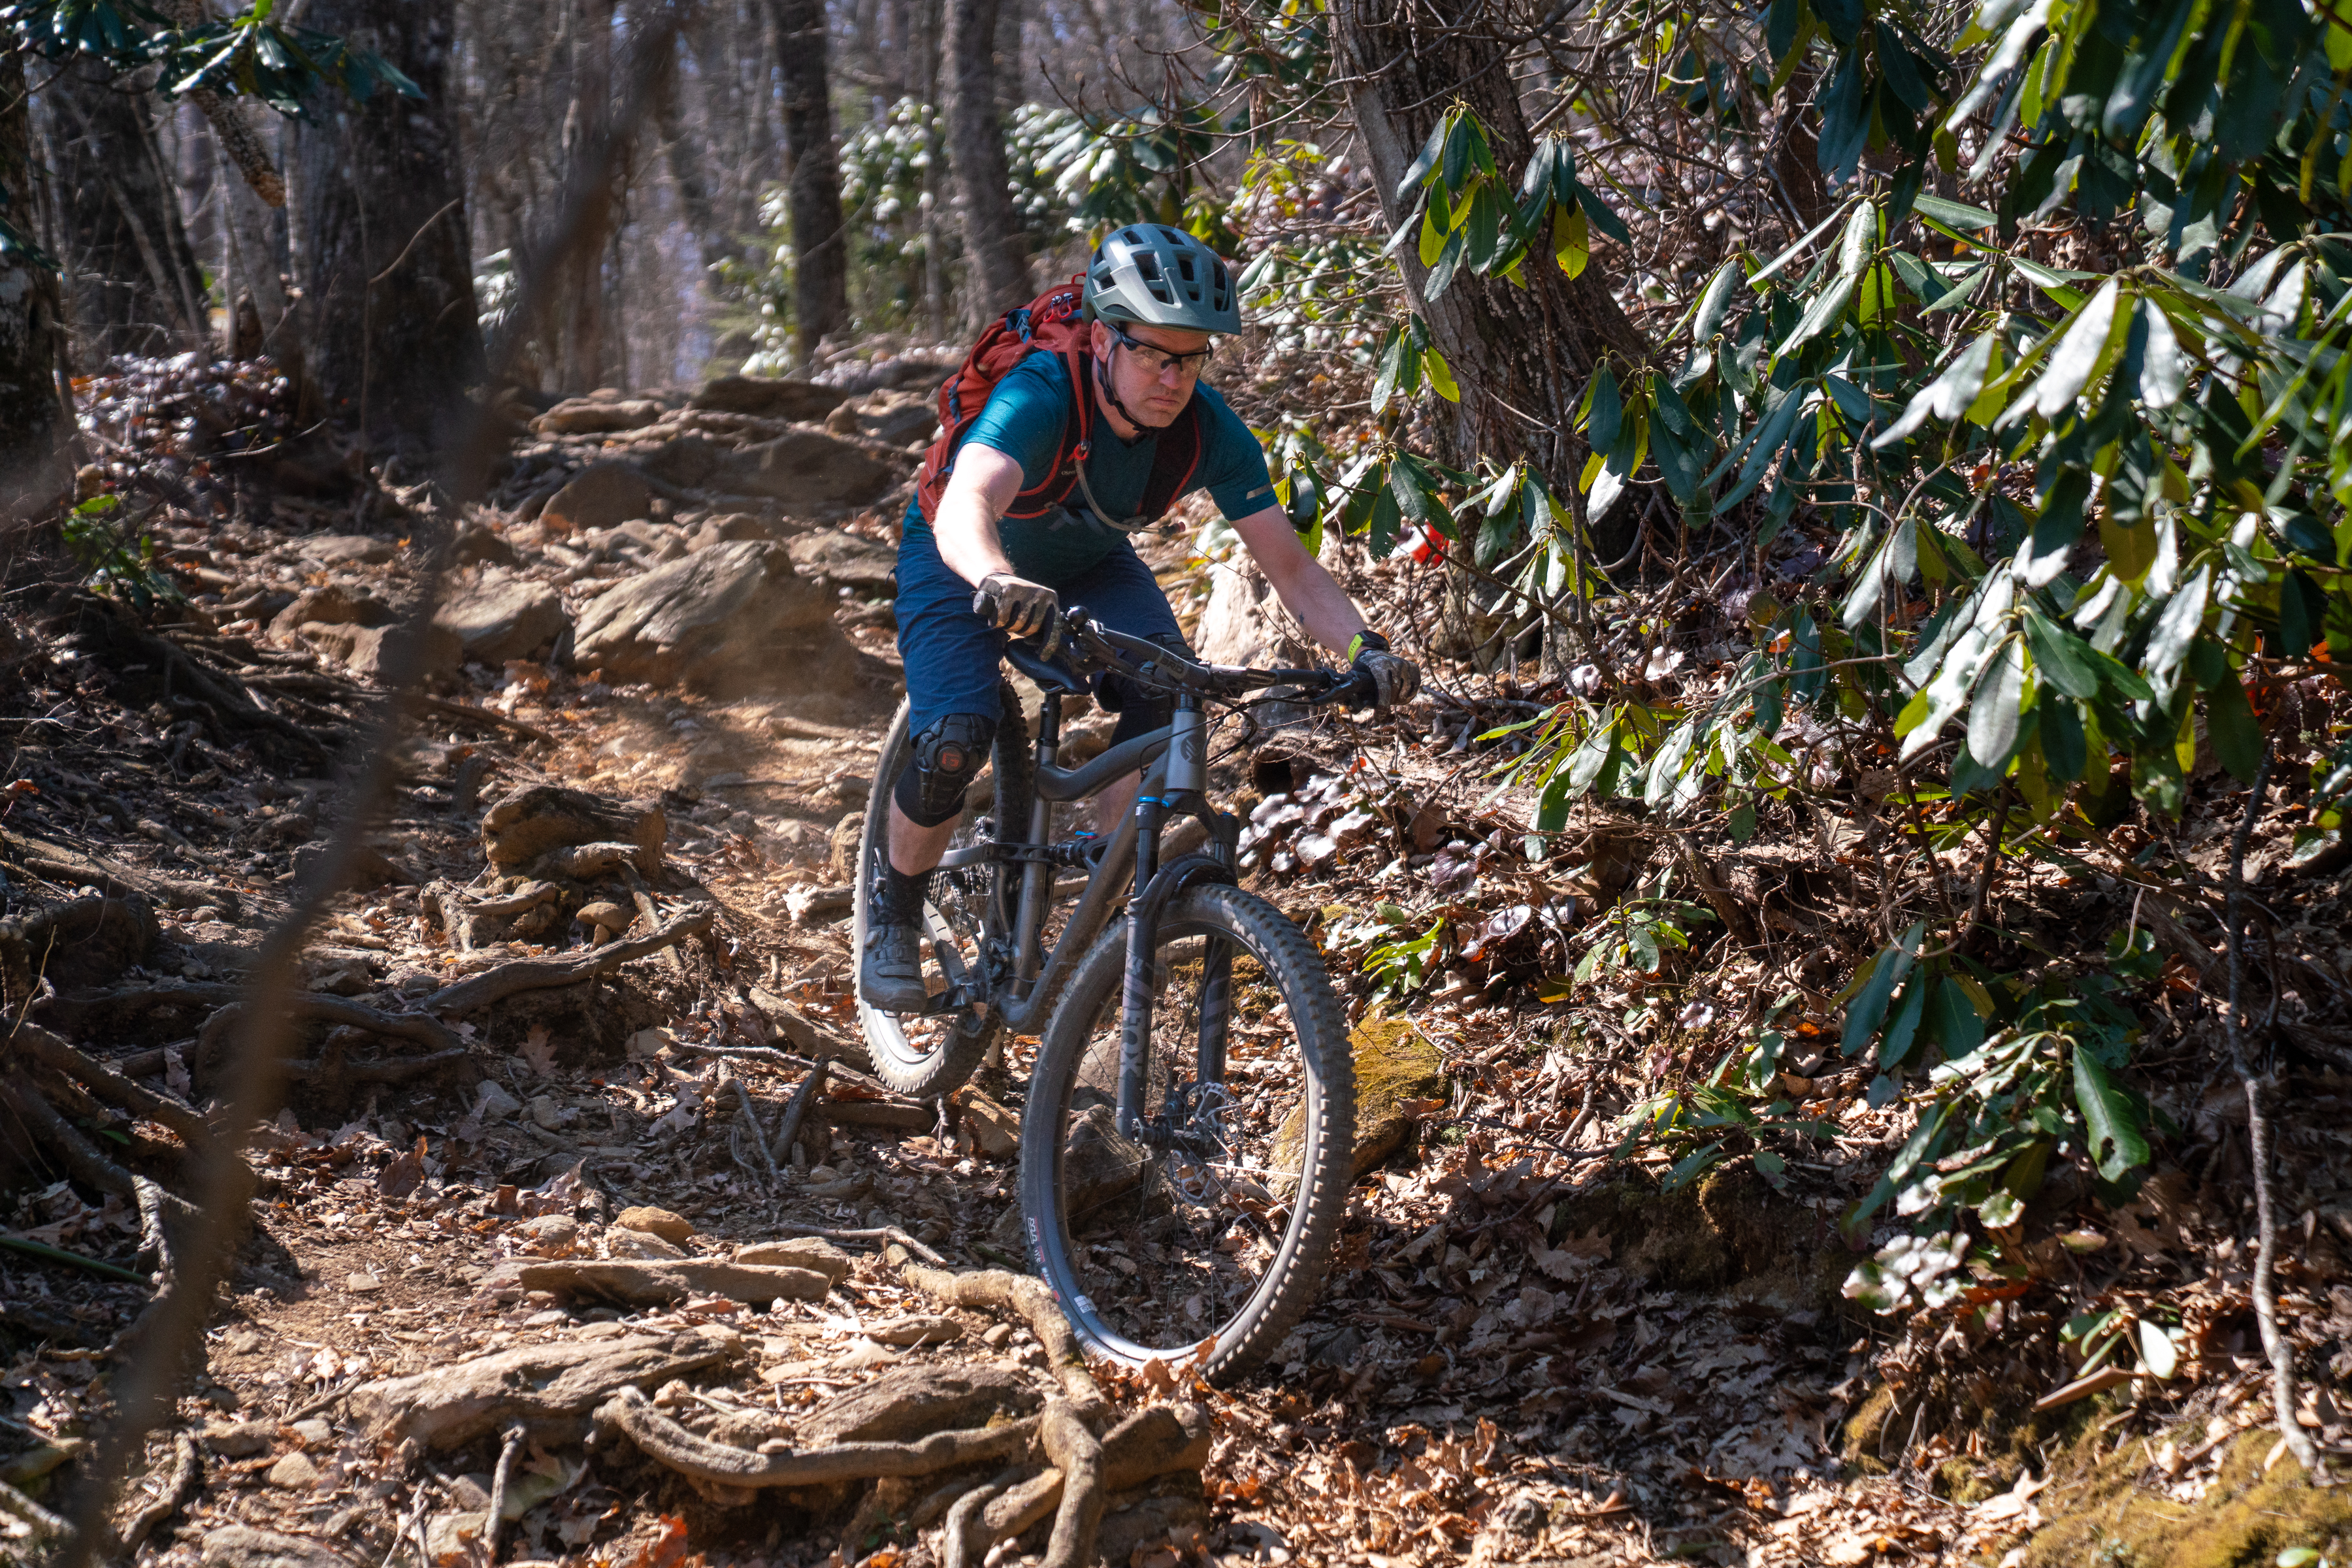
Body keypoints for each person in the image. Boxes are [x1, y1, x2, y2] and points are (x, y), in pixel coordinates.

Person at [860, 225, 1420, 1012]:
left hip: (1086, 561)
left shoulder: (1209, 432)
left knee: (1164, 690)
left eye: (1191, 358)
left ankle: (1101, 878)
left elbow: (1290, 568)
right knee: (955, 739)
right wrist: (994, 575)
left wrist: (1367, 647)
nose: (1173, 378)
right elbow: (967, 503)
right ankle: (894, 911)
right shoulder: (1043, 394)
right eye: (1154, 353)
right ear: (1101, 338)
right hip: (961, 561)